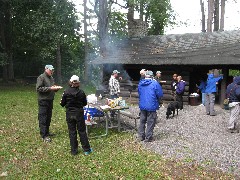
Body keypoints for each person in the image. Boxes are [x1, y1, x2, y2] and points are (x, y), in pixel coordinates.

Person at [60, 75, 92, 155]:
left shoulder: (66, 92)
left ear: (70, 82)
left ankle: (74, 151)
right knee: (82, 131)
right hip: (79, 114)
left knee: (72, 132)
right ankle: (87, 150)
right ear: (78, 83)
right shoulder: (81, 92)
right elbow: (84, 103)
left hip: (69, 114)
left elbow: (62, 103)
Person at [36, 65, 61, 142]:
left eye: (53, 70)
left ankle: (47, 132)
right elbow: (39, 88)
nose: (52, 71)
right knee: (43, 117)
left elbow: (52, 88)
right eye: (50, 70)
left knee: (48, 117)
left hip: (50, 100)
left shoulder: (51, 78)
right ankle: (44, 135)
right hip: (43, 100)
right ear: (46, 69)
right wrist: (50, 88)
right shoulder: (41, 77)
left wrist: (56, 89)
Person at [138, 70, 163, 142]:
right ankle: (148, 138)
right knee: (150, 122)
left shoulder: (140, 83)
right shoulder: (155, 83)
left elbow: (139, 93)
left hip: (142, 105)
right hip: (151, 106)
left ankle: (141, 136)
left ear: (145, 76)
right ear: (152, 76)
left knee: (142, 121)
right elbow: (160, 94)